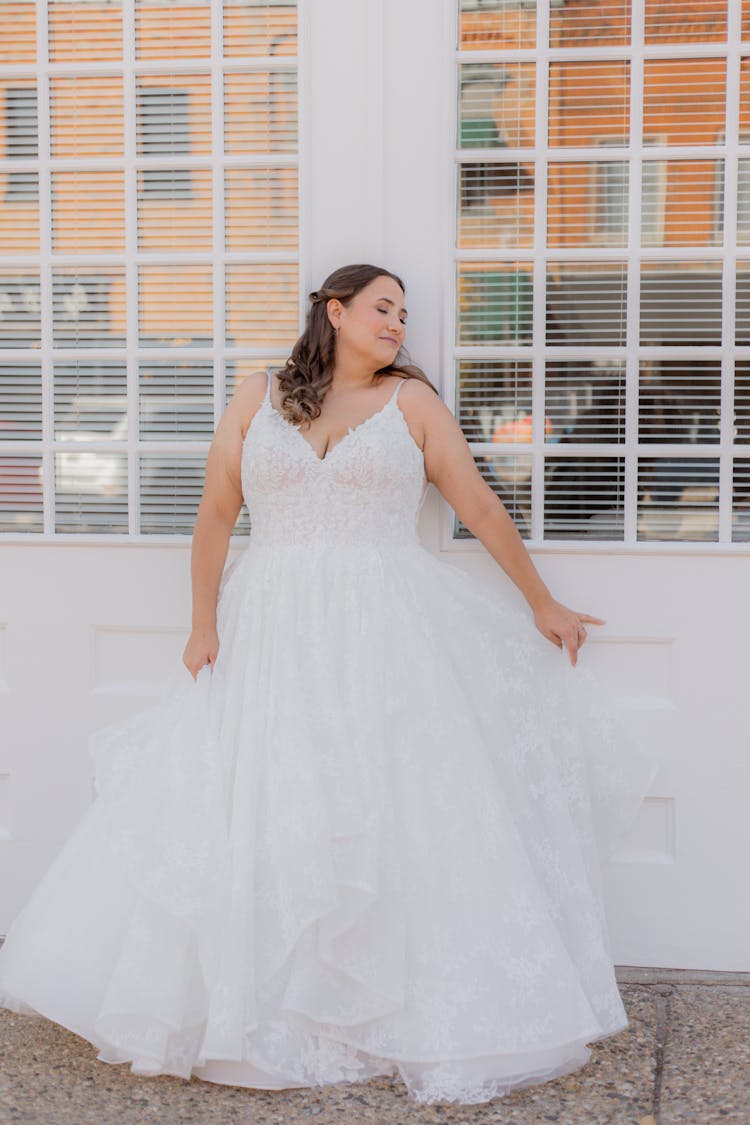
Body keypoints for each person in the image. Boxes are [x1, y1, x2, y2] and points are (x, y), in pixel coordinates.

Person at [0, 264, 658, 1107]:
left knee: (384, 803)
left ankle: (381, 1013)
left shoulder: (413, 402)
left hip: (386, 629)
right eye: (383, 308)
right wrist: (202, 624)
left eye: (404, 314)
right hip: (270, 624)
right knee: (268, 799)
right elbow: (213, 511)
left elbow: (480, 507)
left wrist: (542, 601)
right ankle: (260, 1007)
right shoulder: (259, 395)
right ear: (335, 311)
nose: (397, 323)